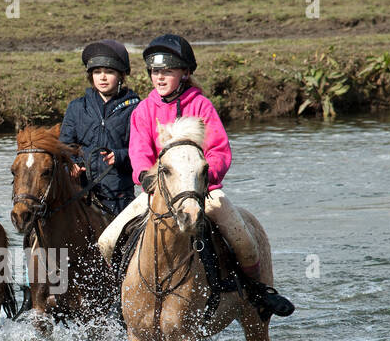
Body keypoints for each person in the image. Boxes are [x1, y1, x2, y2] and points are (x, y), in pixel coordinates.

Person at [97, 33, 293, 318]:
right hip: (157, 193)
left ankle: (255, 291)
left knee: (244, 241)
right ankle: (124, 298)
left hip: (203, 191)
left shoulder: (201, 106)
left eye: (167, 71)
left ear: (184, 73)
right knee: (107, 240)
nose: (160, 78)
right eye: (155, 72)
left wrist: (201, 179)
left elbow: (219, 151)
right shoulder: (143, 110)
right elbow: (139, 154)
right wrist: (146, 178)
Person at [58, 40, 140, 218]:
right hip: (80, 194)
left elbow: (142, 151)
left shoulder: (137, 109)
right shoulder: (76, 107)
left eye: (109, 72)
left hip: (119, 196)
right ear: (91, 76)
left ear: (121, 76)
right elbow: (64, 146)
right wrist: (72, 163)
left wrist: (119, 156)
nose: (102, 77)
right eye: (97, 72)